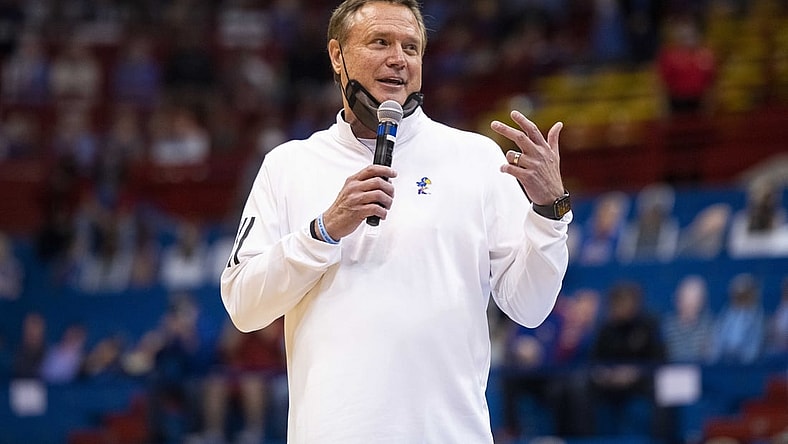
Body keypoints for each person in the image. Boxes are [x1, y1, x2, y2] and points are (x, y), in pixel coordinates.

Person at [220, 1, 572, 442]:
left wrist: (548, 213)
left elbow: (530, 307)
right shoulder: (288, 165)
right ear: (337, 55)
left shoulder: (476, 158)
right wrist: (323, 230)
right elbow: (243, 306)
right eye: (379, 42)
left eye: (411, 47)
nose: (398, 59)